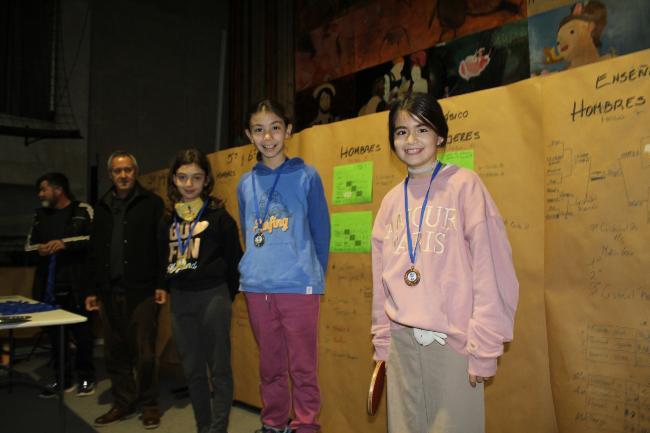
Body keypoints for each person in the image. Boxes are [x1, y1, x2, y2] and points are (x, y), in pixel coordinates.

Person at [371, 93, 519, 433]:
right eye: (401, 131)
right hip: (401, 344)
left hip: (453, 343)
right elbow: (380, 280)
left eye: (422, 129)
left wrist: (484, 347)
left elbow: (491, 270)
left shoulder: (465, 186)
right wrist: (382, 342)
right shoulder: (390, 202)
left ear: (440, 135)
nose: (411, 139)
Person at [237, 99, 331, 433]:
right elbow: (248, 232)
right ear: (249, 135)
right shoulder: (245, 183)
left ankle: (305, 424)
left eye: (275, 127)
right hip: (256, 286)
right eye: (259, 129)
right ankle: (273, 423)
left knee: (303, 366)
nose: (268, 137)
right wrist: (256, 267)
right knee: (270, 365)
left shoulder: (307, 176)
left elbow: (321, 231)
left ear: (288, 130)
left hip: (299, 286)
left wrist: (313, 276)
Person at [159, 148, 242, 433]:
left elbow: (235, 259)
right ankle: (203, 427)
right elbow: (160, 257)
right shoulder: (167, 218)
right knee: (193, 371)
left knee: (219, 370)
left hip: (213, 297)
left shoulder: (219, 216)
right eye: (183, 177)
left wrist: (225, 295)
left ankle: (217, 429)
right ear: (174, 179)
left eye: (196, 177)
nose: (189, 183)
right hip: (181, 300)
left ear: (206, 180)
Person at [85, 150, 166, 429]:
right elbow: (94, 251)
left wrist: (161, 284)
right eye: (118, 171)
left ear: (136, 172)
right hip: (108, 292)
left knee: (145, 352)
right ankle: (123, 401)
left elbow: (162, 247)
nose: (123, 175)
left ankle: (149, 404)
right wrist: (92, 290)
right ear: (111, 175)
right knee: (114, 351)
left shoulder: (152, 204)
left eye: (128, 170)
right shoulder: (102, 207)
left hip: (142, 291)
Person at [25, 172, 96, 397]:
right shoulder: (39, 215)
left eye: (43, 189)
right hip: (49, 286)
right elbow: (28, 246)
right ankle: (63, 380)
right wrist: (39, 249)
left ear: (58, 190)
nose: (40, 195)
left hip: (78, 285)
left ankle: (86, 377)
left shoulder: (82, 210)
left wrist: (65, 244)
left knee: (83, 335)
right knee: (56, 337)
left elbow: (96, 240)